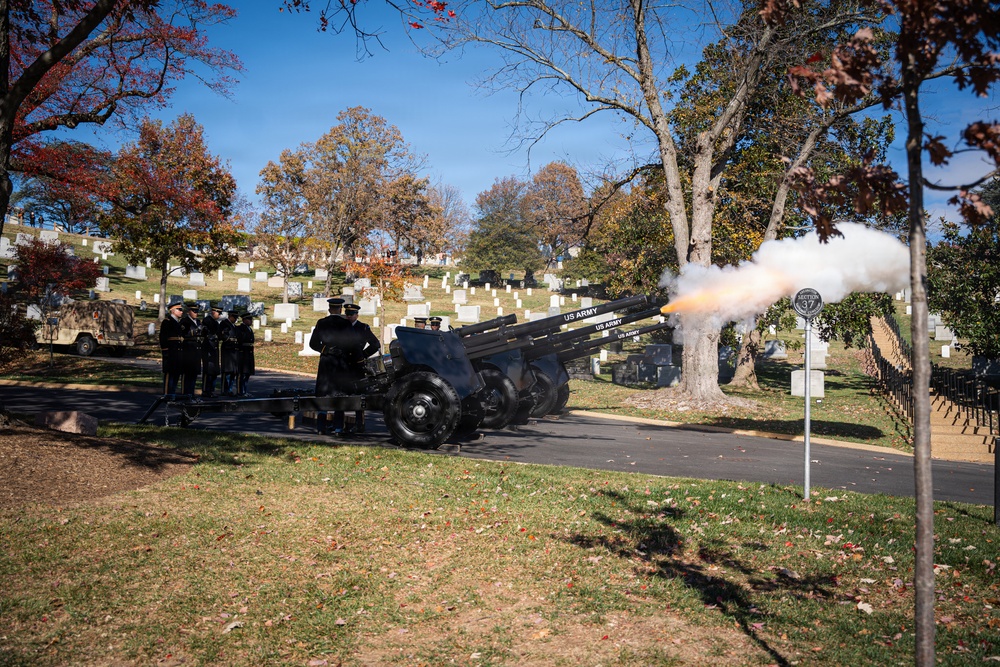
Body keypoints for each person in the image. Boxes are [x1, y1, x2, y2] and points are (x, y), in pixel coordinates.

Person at [309, 297, 353, 434]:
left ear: (329, 309)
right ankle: (338, 427)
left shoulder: (322, 323)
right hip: (341, 362)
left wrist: (326, 350)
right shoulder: (346, 324)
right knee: (339, 395)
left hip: (326, 362)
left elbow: (313, 343)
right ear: (340, 309)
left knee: (324, 394)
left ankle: (321, 427)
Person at [343, 302, 381, 433]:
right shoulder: (341, 327)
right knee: (342, 394)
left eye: (351, 314)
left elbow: (375, 344)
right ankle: (340, 424)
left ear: (357, 315)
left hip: (357, 365)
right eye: (347, 314)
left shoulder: (363, 328)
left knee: (359, 396)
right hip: (343, 364)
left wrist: (363, 355)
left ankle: (359, 424)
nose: (349, 316)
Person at [158, 302, 185, 395]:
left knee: (176, 373)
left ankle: (172, 392)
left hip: (178, 352)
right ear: (173, 311)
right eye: (179, 310)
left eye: (181, 310)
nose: (182, 312)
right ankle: (167, 394)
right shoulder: (167, 322)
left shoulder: (178, 323)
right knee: (170, 374)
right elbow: (163, 337)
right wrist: (165, 351)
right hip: (171, 351)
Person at [179, 302, 203, 397]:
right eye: (194, 311)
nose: (196, 313)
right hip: (188, 350)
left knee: (194, 374)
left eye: (197, 311)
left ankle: (191, 393)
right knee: (187, 373)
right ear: (189, 311)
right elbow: (183, 333)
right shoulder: (184, 321)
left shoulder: (198, 322)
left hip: (196, 350)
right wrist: (194, 332)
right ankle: (185, 393)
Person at [201, 305, 223, 398]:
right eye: (219, 313)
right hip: (208, 348)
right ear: (214, 312)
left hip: (214, 348)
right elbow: (206, 333)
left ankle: (211, 390)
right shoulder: (207, 320)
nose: (220, 315)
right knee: (208, 370)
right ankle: (206, 390)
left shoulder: (216, 323)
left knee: (214, 371)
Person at [218, 309, 240, 396]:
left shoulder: (234, 326)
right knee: (227, 370)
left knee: (233, 371)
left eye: (236, 317)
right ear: (229, 316)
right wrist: (228, 339)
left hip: (234, 349)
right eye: (234, 317)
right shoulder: (224, 324)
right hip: (227, 349)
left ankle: (230, 389)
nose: (235, 319)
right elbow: (222, 335)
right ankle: (224, 389)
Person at [235, 312, 256, 396]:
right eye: (249, 319)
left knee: (247, 373)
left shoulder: (249, 329)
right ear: (244, 320)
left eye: (251, 319)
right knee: (242, 373)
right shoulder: (241, 328)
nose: (251, 321)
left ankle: (244, 390)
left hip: (249, 352)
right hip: (243, 353)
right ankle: (240, 391)